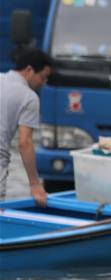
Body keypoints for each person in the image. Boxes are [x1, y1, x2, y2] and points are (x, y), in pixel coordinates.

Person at [1, 47, 52, 206]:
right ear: (29, 70)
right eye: (43, 77)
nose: (44, 83)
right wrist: (35, 185)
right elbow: (25, 143)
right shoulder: (29, 98)